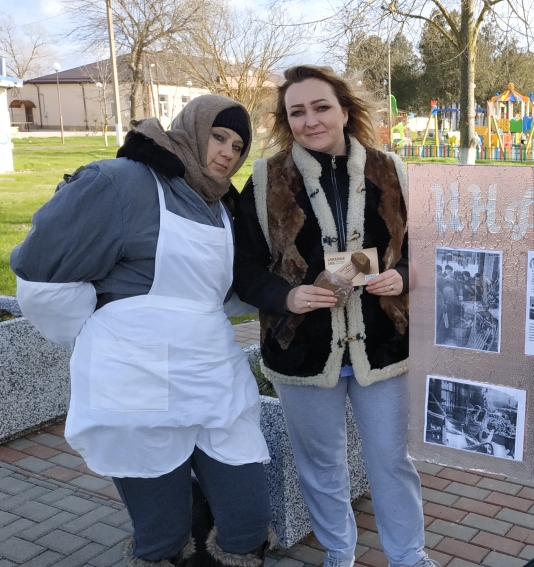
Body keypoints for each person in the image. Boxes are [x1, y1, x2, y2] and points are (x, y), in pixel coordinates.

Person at [12, 96, 273, 566]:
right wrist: (102, 331)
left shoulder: (220, 206)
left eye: (238, 146)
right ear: (190, 130)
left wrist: (290, 290)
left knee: (247, 520)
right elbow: (41, 275)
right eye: (219, 137)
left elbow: (219, 294)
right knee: (162, 532)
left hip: (212, 373)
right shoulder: (121, 182)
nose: (228, 153)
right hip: (136, 379)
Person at [231, 65, 435, 567]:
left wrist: (403, 276)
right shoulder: (266, 179)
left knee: (392, 459)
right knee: (320, 464)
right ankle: (339, 552)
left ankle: (408, 556)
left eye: (321, 107)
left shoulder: (390, 170)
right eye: (297, 112)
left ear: (345, 111)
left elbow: (426, 248)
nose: (310, 120)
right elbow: (245, 268)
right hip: (301, 348)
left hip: (384, 345)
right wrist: (287, 297)